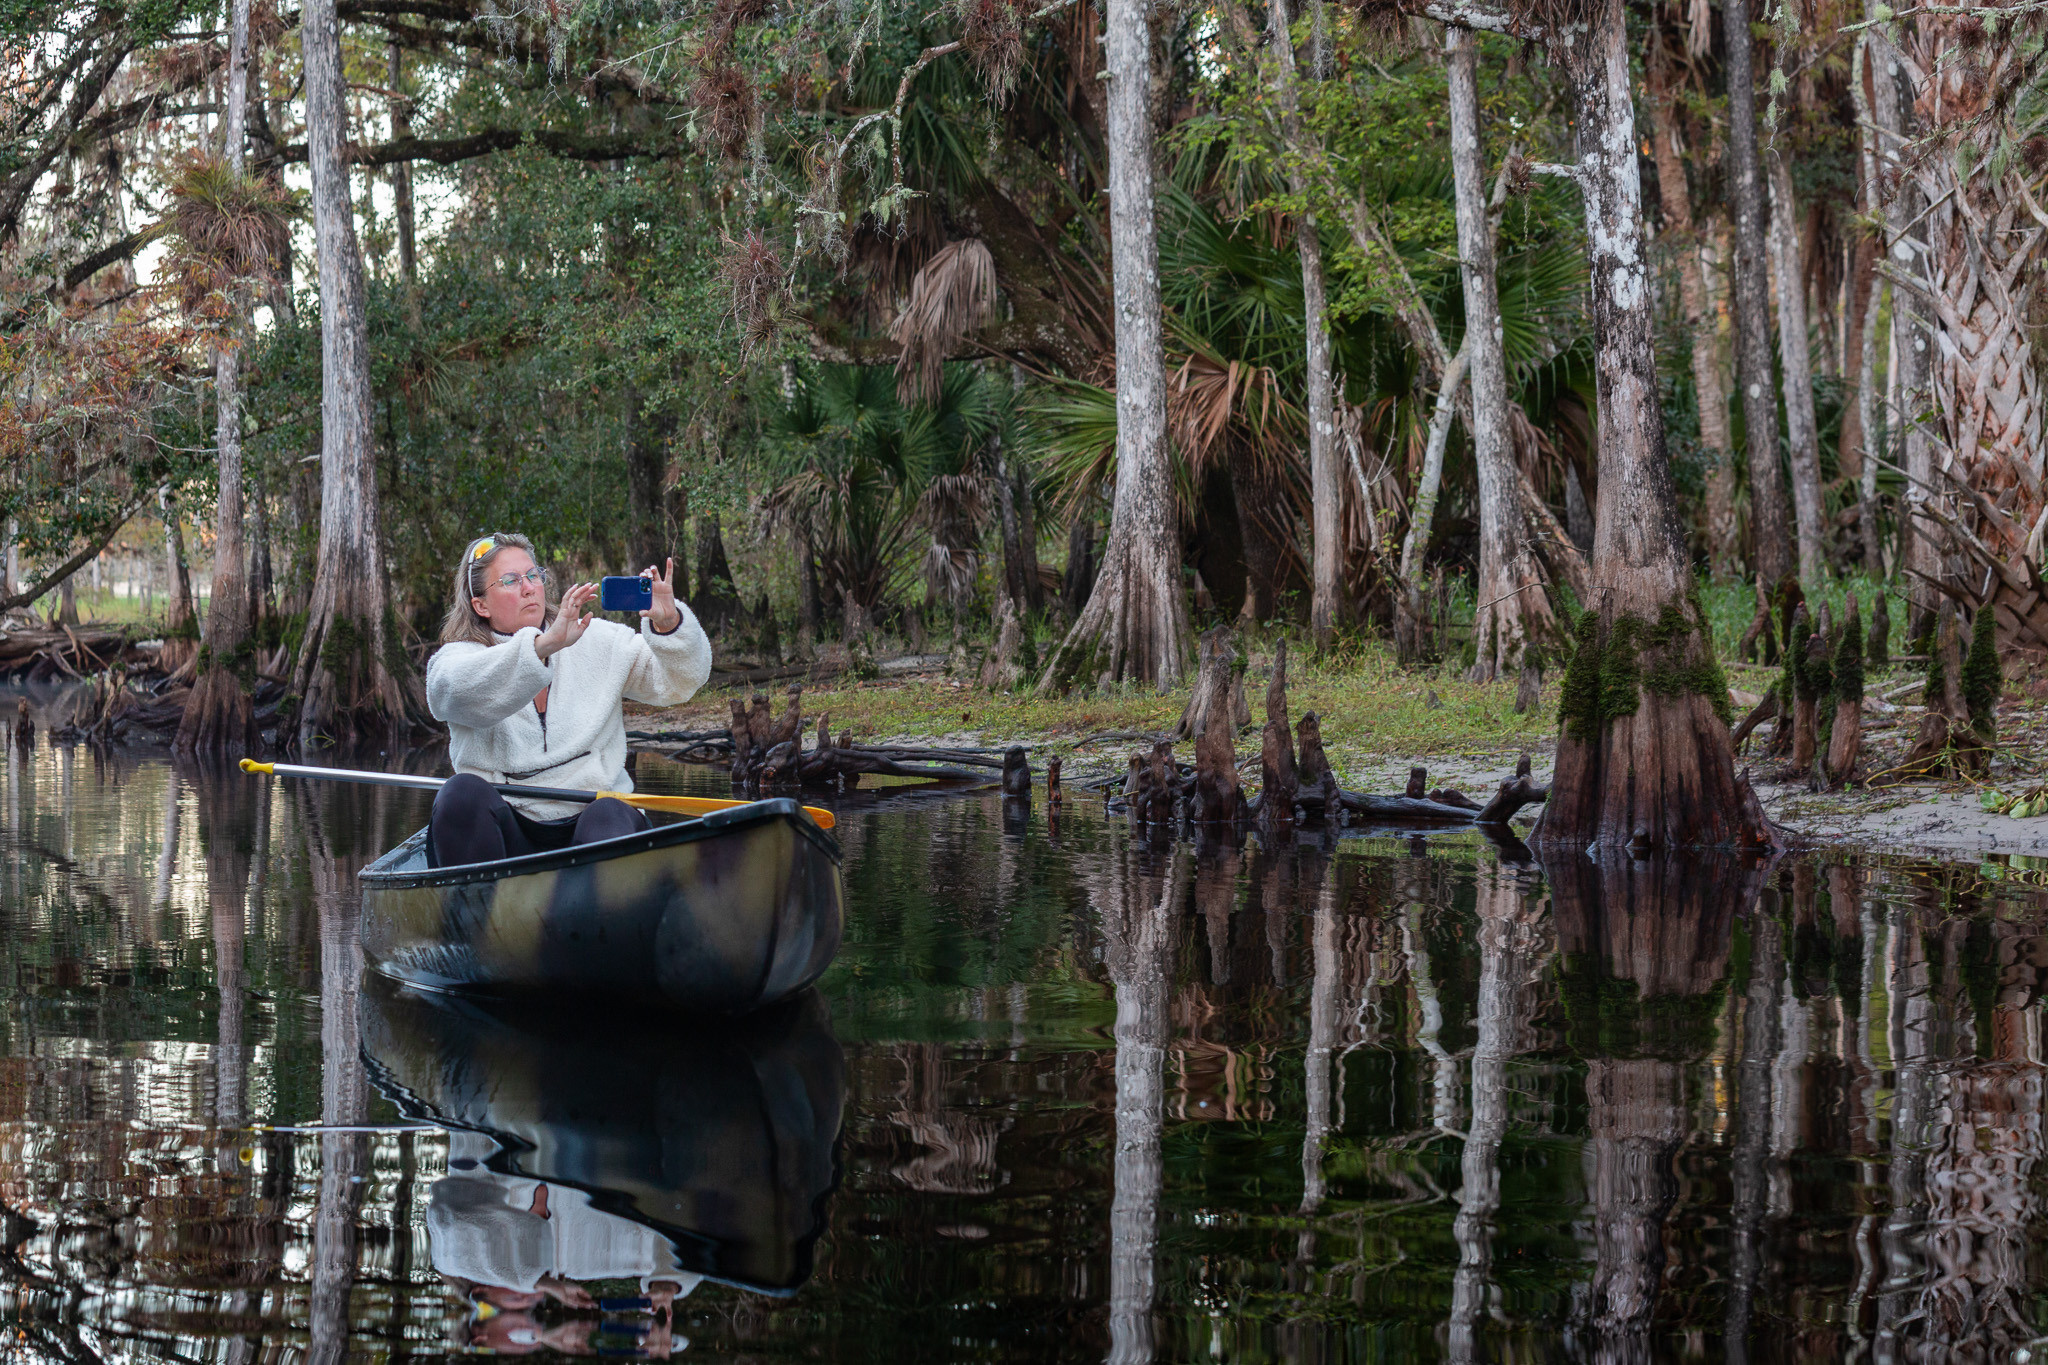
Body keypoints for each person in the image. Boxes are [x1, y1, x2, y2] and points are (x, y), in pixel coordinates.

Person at [424, 532, 712, 867]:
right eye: (510, 580)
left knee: (609, 815)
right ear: (480, 605)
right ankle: (478, 909)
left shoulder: (597, 638)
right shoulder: (457, 659)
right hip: (506, 832)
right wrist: (544, 646)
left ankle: (606, 913)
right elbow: (452, 692)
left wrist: (668, 624)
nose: (529, 587)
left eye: (533, 575)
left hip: (593, 819)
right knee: (459, 795)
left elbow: (681, 682)